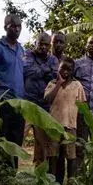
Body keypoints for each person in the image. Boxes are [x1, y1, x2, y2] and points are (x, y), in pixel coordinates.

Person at [43, 59, 88, 184]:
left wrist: (79, 127)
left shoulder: (77, 85)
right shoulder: (52, 84)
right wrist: (59, 84)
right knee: (52, 155)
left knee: (71, 155)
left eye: (68, 69)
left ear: (73, 71)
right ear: (58, 68)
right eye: (62, 68)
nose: (65, 72)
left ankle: (71, 183)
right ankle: (52, 183)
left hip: (70, 126)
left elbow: (82, 107)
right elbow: (47, 99)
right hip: (54, 126)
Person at [0, 14, 26, 150]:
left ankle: (12, 171)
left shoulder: (21, 50)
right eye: (13, 26)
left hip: (19, 102)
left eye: (19, 26)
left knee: (16, 142)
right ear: (5, 27)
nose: (17, 29)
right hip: (2, 100)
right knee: (1, 139)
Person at [23, 32, 60, 166]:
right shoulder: (28, 54)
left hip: (44, 106)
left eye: (46, 45)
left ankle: (39, 176)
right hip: (27, 103)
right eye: (41, 44)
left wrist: (39, 70)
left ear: (50, 46)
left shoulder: (53, 60)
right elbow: (27, 71)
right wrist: (45, 70)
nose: (43, 47)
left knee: (42, 145)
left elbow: (54, 77)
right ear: (35, 44)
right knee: (19, 138)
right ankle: (11, 175)